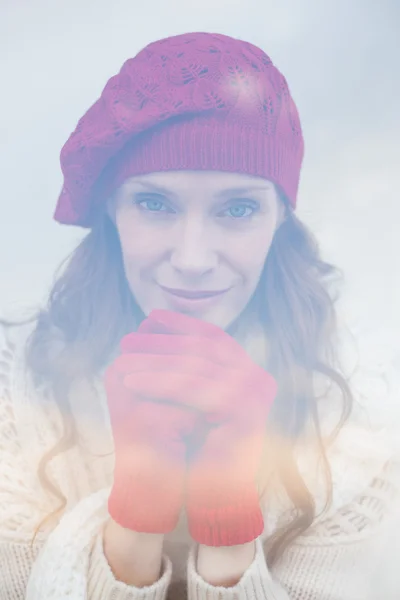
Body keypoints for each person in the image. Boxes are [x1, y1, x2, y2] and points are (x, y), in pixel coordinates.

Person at [0, 31, 399, 600]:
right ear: (111, 207)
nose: (191, 259)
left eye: (237, 208)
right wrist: (134, 514)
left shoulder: (358, 439)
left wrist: (230, 527)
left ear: (281, 216)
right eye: (154, 203)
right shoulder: (14, 404)